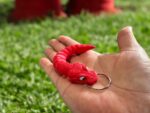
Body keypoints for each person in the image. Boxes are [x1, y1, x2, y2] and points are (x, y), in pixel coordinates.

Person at [40, 26, 150, 113]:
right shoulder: (75, 73)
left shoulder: (79, 70)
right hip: (60, 63)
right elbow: (73, 77)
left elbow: (78, 71)